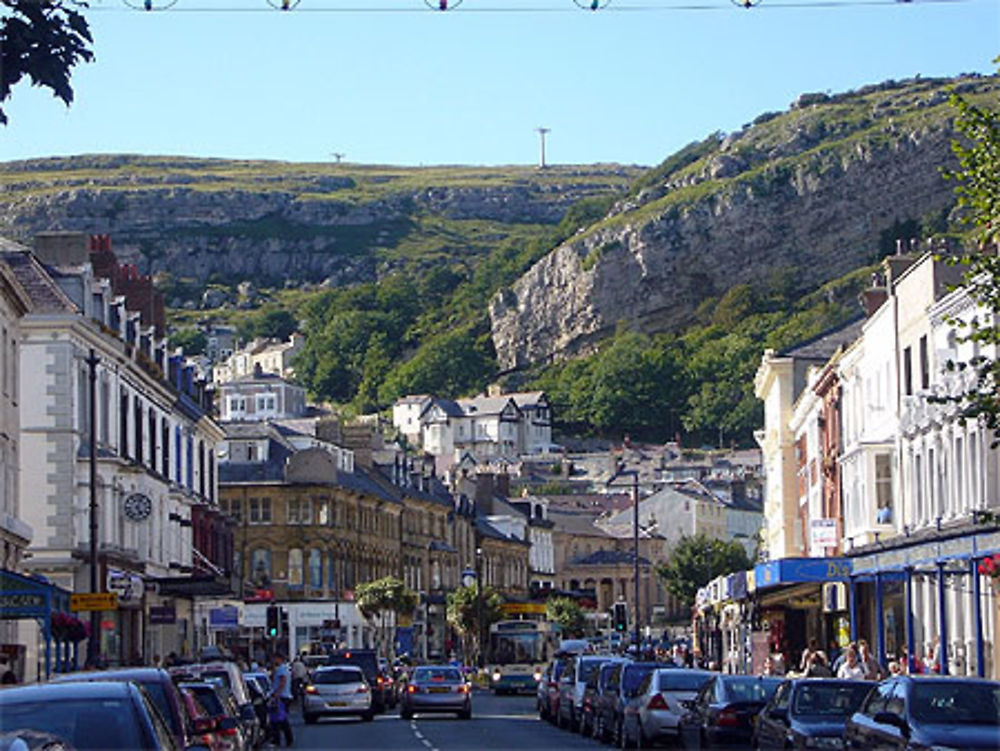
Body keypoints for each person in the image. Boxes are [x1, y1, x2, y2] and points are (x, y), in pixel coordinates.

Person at [269, 654, 294, 746]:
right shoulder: (284, 668)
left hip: (282, 697)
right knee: (278, 719)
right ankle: (281, 740)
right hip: (284, 696)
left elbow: (282, 681)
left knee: (280, 719)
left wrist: (277, 694)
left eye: (274, 658)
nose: (273, 660)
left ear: (279, 659)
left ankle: (283, 740)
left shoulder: (281, 669)